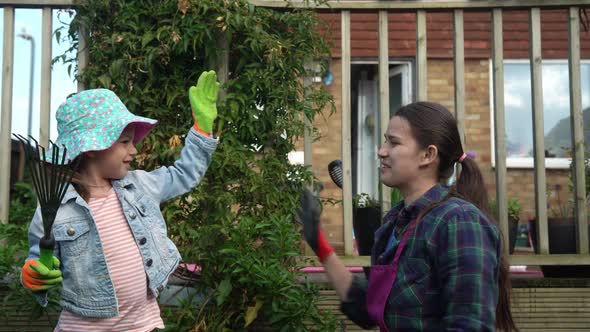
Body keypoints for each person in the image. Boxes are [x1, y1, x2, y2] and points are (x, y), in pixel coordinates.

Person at [20, 71, 220, 331]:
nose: (134, 150)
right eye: (125, 141)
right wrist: (33, 274)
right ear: (93, 146)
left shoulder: (140, 186)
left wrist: (202, 131)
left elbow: (183, 174)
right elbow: (38, 259)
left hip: (141, 324)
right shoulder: (55, 209)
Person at [299, 102, 517, 331]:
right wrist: (318, 241)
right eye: (385, 141)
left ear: (427, 155)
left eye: (393, 142)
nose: (381, 151)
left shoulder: (459, 222)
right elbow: (369, 309)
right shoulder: (395, 224)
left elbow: (471, 325)